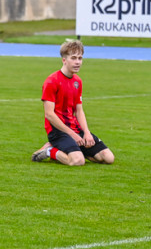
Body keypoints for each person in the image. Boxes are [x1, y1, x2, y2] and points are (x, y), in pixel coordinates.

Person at [31, 39, 114, 167]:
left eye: (80, 58)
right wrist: (72, 135)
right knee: (77, 161)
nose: (77, 62)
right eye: (73, 58)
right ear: (64, 60)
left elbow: (79, 110)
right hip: (58, 131)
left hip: (75, 129)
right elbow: (49, 114)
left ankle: (73, 148)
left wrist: (86, 132)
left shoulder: (77, 81)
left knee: (107, 158)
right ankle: (50, 150)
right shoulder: (51, 81)